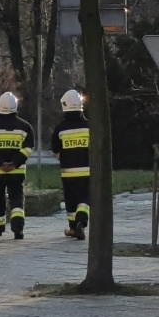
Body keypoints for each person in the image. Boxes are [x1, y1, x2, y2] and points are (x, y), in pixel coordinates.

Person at [0, 91, 35, 239]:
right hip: (17, 171)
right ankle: (18, 227)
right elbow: (28, 148)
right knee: (17, 197)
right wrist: (15, 163)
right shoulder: (25, 127)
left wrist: (0, 163)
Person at [52, 90, 91, 240]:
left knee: (70, 199)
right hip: (86, 170)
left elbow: (55, 150)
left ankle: (73, 227)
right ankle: (82, 220)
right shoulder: (89, 126)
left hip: (68, 171)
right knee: (84, 197)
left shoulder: (60, 128)